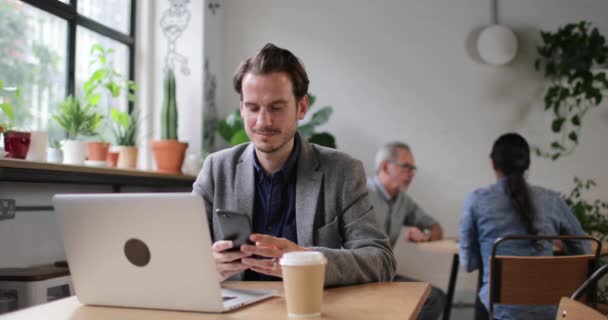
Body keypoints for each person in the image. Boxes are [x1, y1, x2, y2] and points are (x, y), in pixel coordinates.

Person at [192, 43, 396, 287]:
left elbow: (381, 260)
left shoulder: (343, 172)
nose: (263, 121)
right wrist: (207, 265)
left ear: (301, 107)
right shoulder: (216, 169)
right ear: (242, 109)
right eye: (252, 108)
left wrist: (306, 260)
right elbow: (181, 251)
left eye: (276, 108)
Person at [459, 133, 589, 320]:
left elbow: (468, 263)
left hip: (498, 312)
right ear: (527, 164)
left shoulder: (476, 200)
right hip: (549, 311)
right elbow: (584, 250)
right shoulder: (552, 200)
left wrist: (490, 250)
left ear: (493, 164)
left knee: (486, 295)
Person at [368, 142, 446, 320]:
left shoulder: (403, 201)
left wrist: (425, 236)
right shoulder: (360, 193)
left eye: (413, 169)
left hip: (385, 277)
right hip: (358, 279)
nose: (411, 174)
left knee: (435, 298)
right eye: (406, 167)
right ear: (386, 167)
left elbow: (436, 227)